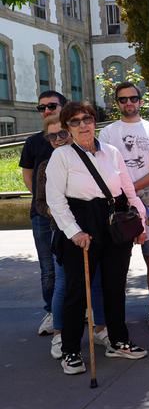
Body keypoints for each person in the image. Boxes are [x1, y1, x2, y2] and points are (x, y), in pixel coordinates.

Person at [45, 102, 148, 374]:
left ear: (94, 121)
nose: (83, 125)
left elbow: (129, 191)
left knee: (115, 287)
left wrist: (140, 222)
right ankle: (70, 350)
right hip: (81, 223)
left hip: (113, 224)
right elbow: (55, 200)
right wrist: (74, 232)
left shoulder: (111, 152)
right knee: (77, 291)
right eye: (75, 122)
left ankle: (118, 340)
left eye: (87, 119)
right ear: (68, 128)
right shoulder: (62, 156)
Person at [35, 115, 108, 360]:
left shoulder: (87, 156)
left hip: (90, 230)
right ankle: (60, 335)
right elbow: (42, 202)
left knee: (95, 282)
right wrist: (66, 220)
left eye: (61, 134)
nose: (58, 140)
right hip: (64, 233)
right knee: (65, 285)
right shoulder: (49, 164)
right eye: (52, 136)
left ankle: (100, 328)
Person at [99, 82, 149, 332]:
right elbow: (105, 168)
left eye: (133, 98)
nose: (128, 103)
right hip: (118, 205)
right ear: (116, 103)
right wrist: (126, 195)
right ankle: (115, 316)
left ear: (140, 101)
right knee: (118, 261)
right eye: (122, 99)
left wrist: (132, 191)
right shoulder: (107, 133)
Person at [19, 90, 68, 335]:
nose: (47, 110)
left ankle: (75, 310)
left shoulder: (72, 138)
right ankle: (52, 312)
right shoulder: (33, 142)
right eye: (42, 108)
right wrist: (43, 200)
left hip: (70, 215)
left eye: (51, 105)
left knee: (72, 266)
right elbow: (28, 173)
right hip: (42, 215)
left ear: (64, 107)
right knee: (48, 267)